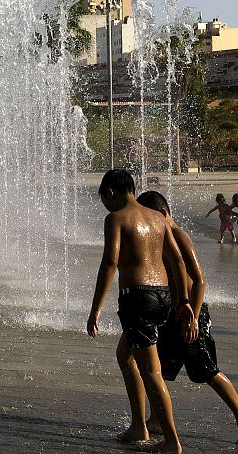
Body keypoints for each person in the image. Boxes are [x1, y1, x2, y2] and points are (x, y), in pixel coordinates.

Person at [86, 169, 194, 453]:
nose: (106, 207)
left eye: (105, 200)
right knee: (125, 355)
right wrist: (182, 301)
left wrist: (95, 309)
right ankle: (138, 426)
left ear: (111, 192)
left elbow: (110, 263)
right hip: (162, 297)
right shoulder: (158, 218)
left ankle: (171, 441)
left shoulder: (116, 219)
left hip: (137, 299)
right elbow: (178, 262)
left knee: (152, 371)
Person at [137, 191, 238, 446]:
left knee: (207, 370)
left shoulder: (178, 235)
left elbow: (200, 280)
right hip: (173, 314)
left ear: (164, 214)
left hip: (192, 315)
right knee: (160, 371)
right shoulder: (162, 236)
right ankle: (156, 418)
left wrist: (193, 316)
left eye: (149, 217)